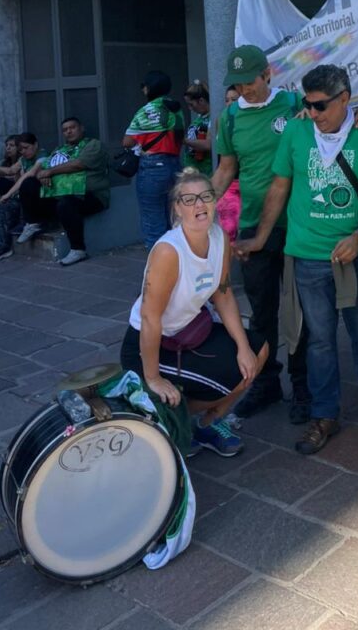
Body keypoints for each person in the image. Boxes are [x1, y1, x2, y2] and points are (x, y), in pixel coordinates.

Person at [236, 64, 358, 456]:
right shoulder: (297, 131)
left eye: (321, 106)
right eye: (308, 105)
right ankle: (324, 414)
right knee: (317, 341)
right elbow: (280, 185)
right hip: (309, 256)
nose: (313, 113)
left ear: (345, 98)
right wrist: (261, 236)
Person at [120, 168, 268, 457]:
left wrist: (242, 347)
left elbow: (223, 292)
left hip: (189, 333)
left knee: (257, 352)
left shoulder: (219, 237)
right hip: (150, 345)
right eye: (189, 199)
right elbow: (150, 318)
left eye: (205, 196)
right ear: (177, 208)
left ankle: (206, 424)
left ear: (215, 200)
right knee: (226, 378)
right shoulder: (169, 251)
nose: (199, 204)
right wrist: (153, 377)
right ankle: (171, 422)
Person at [213, 46, 310, 423]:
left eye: (249, 81)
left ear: (267, 73)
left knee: (301, 311)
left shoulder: (294, 104)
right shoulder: (230, 119)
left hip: (299, 222)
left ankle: (303, 387)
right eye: (237, 84)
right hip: (254, 224)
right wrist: (198, 205)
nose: (244, 90)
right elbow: (226, 169)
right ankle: (266, 383)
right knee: (262, 311)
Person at [17, 118, 109, 265]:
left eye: (72, 127)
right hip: (58, 194)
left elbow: (78, 164)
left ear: (82, 128)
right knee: (29, 184)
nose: (68, 131)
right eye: (65, 130)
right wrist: (43, 175)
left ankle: (78, 249)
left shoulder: (93, 145)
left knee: (67, 203)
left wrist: (50, 172)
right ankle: (33, 222)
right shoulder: (59, 149)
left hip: (89, 196)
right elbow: (43, 168)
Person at [124, 71, 184, 249]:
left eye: (144, 86)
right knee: (174, 218)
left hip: (152, 168)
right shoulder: (176, 108)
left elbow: (127, 141)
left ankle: (159, 263)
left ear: (149, 88)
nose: (143, 90)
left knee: (153, 222)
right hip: (175, 166)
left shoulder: (146, 111)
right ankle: (178, 260)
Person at [0, 133, 46, 260]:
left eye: (26, 148)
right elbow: (11, 170)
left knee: (27, 183)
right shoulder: (23, 159)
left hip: (41, 199)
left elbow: (26, 176)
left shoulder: (42, 156)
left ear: (35, 145)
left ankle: (4, 247)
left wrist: (7, 195)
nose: (23, 152)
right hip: (23, 198)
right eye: (21, 149)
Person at [215, 86, 242, 244]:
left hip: (247, 182)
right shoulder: (222, 120)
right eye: (227, 100)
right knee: (228, 228)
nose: (229, 103)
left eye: (234, 99)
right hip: (229, 183)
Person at [183, 80, 213, 176]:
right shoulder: (199, 117)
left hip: (205, 171)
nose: (190, 108)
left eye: (191, 104)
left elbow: (209, 144)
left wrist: (185, 141)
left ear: (201, 101)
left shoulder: (212, 118)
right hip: (192, 169)